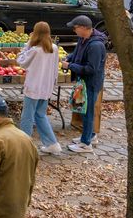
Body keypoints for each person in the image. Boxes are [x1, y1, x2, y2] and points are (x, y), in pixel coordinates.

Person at [63, 15, 107, 153]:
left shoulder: (96, 46)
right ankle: (91, 136)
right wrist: (68, 58)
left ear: (83, 28)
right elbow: (76, 54)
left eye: (75, 28)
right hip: (82, 82)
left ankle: (85, 144)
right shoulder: (83, 39)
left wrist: (70, 66)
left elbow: (91, 69)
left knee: (87, 112)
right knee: (82, 109)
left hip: (91, 83)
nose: (74, 30)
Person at [16, 21, 61, 155]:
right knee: (40, 115)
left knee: (27, 117)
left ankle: (25, 146)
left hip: (33, 87)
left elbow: (21, 61)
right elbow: (55, 67)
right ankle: (52, 144)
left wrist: (28, 44)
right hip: (46, 87)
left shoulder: (35, 50)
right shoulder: (54, 48)